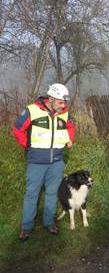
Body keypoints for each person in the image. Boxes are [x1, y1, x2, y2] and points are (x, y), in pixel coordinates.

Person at [13, 83, 75, 241]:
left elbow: (70, 126)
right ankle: (26, 227)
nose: (64, 105)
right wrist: (28, 146)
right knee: (31, 194)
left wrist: (70, 139)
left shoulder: (64, 113)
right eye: (61, 102)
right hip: (36, 162)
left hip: (57, 161)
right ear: (51, 99)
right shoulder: (32, 110)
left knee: (52, 193)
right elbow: (17, 129)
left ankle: (49, 222)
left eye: (65, 102)